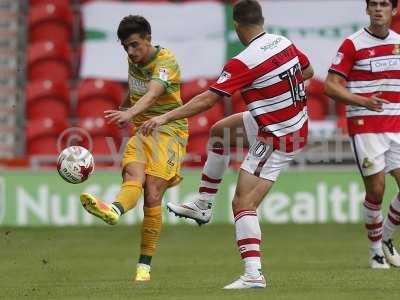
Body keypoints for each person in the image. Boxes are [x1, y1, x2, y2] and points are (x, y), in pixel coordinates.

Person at [141, 0, 313, 289]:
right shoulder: (283, 42)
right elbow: (306, 72)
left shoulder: (244, 61)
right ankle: (204, 203)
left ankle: (253, 273)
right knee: (220, 132)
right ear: (262, 19)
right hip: (289, 122)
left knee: (243, 202)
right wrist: (275, 98)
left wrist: (165, 117)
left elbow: (208, 99)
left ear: (236, 26)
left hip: (278, 135)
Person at [79, 15, 188, 282]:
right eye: (126, 47)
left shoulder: (166, 61)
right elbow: (135, 88)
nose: (130, 52)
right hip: (142, 130)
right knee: (133, 177)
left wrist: (129, 114)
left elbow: (152, 93)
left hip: (169, 130)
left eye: (135, 45)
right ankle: (114, 211)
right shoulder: (133, 59)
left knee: (152, 193)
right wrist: (124, 107)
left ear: (149, 39)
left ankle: (144, 266)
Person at [325, 0, 400, 269]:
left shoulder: (398, 42)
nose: (378, 9)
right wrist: (361, 100)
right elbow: (331, 86)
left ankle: (387, 240)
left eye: (384, 4)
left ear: (395, 9)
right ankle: (375, 252)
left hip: (396, 126)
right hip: (365, 126)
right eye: (374, 4)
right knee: (377, 191)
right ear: (366, 10)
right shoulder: (352, 44)